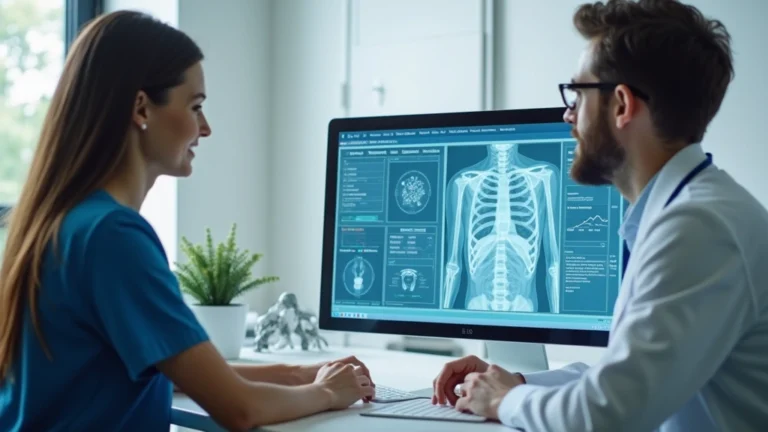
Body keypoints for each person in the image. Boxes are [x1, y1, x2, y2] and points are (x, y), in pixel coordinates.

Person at [0, 10, 374, 432]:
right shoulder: (113, 236)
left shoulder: (65, 221)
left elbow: (187, 375)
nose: (206, 128)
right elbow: (239, 409)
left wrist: (300, 375)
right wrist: (327, 394)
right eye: (195, 106)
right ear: (141, 107)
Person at [431, 0, 768, 431]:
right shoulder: (685, 211)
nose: (568, 115)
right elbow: (623, 378)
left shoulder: (700, 227)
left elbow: (607, 414)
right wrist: (515, 382)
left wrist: (507, 401)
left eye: (577, 95)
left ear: (622, 105)